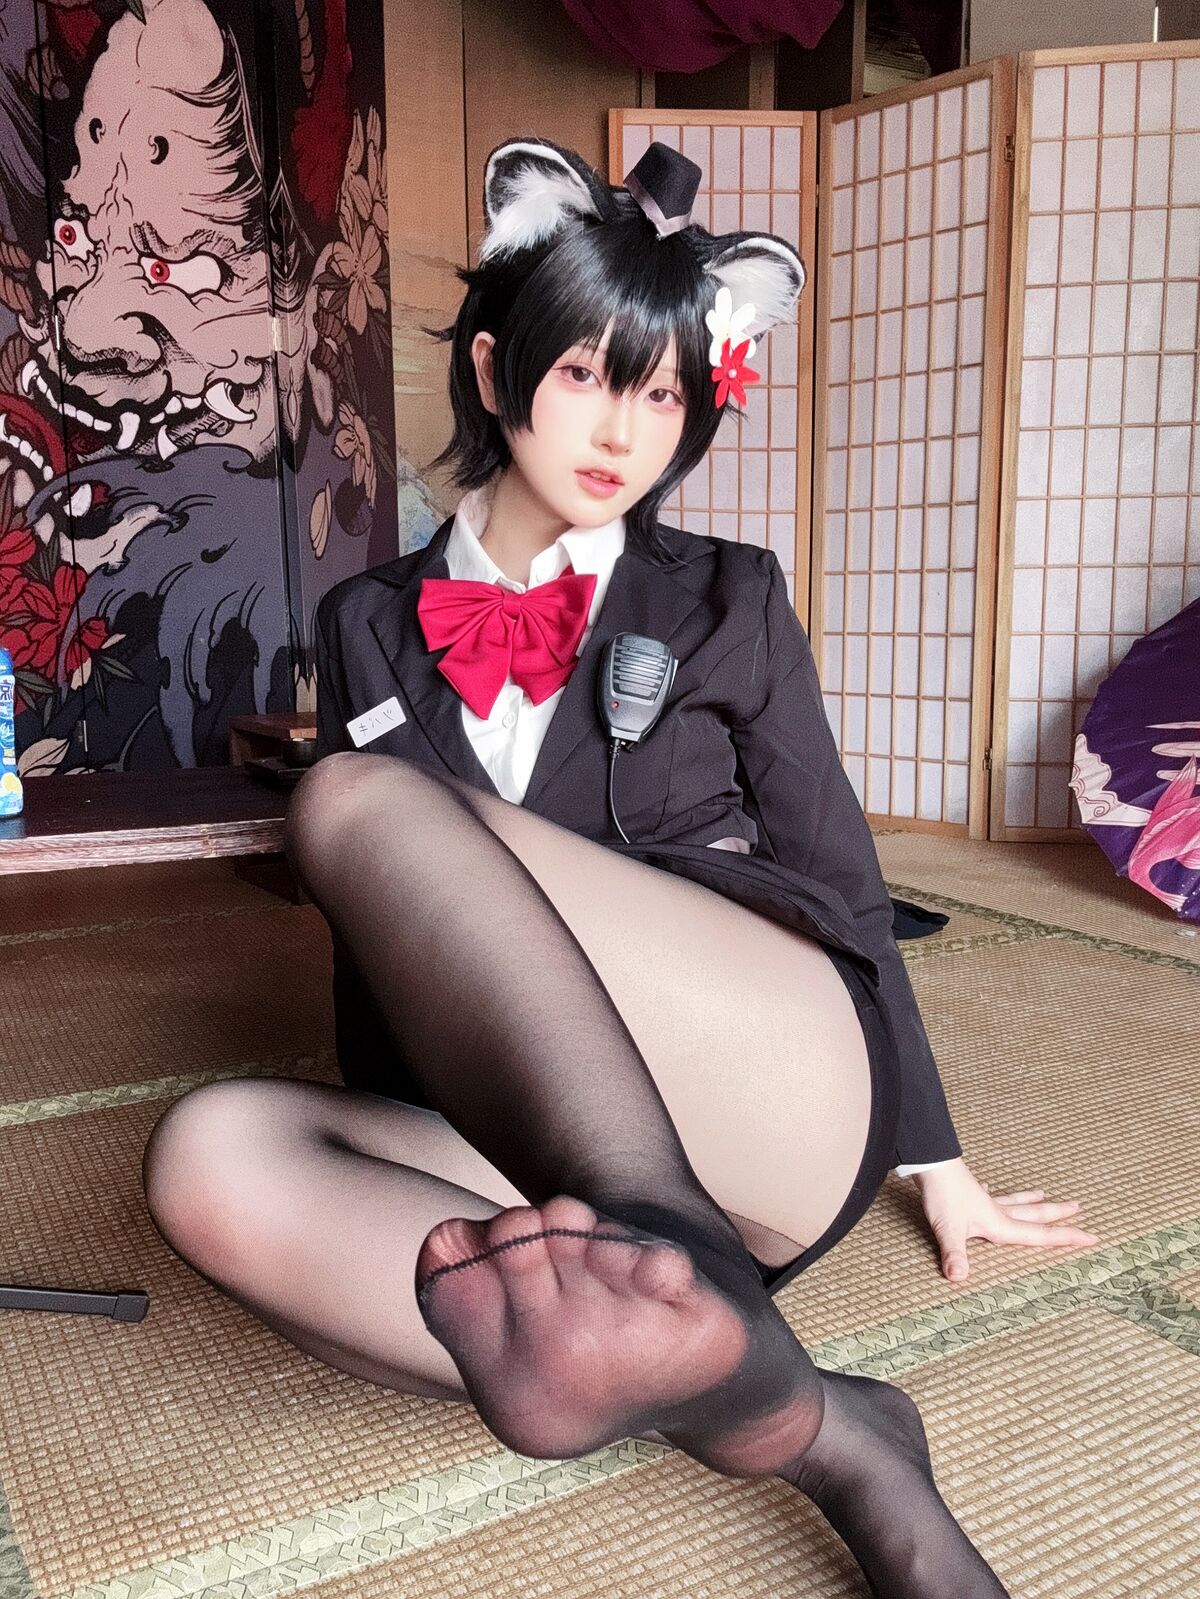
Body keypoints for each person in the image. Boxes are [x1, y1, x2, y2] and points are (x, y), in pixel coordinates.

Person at [141, 137, 1098, 1597]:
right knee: (207, 1155)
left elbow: (841, 879)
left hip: (763, 1100)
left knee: (346, 804)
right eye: (587, 373)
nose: (624, 431)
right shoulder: (367, 623)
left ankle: (670, 1259)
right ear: (492, 370)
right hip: (531, 1139)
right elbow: (396, 956)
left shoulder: (727, 598)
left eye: (663, 393)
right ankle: (822, 1424)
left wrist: (940, 1164)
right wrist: (407, 1117)